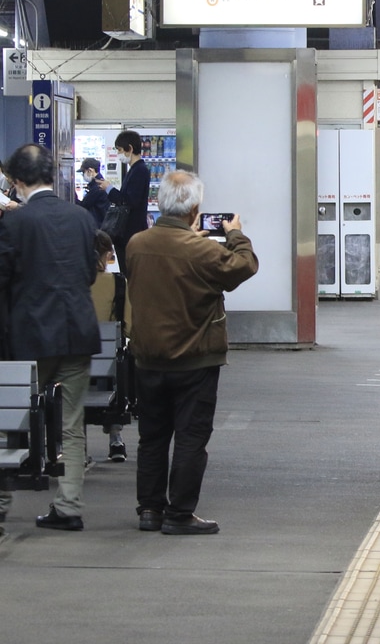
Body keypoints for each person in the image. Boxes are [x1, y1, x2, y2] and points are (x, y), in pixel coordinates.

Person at [126, 170, 258, 535]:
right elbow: (243, 266)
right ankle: (180, 513)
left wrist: (191, 239)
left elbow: (169, 259)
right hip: (195, 358)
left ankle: (149, 510)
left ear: (158, 203)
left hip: (148, 357)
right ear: (195, 209)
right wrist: (235, 234)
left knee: (152, 437)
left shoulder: (137, 243)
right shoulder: (203, 250)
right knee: (190, 437)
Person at [0, 144, 101, 532]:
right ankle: (69, 505)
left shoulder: (14, 225)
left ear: (17, 181)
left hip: (30, 338)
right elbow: (90, 274)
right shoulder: (80, 218)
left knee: (10, 418)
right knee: (72, 425)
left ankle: (3, 499)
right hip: (78, 332)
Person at [90, 230, 130, 462]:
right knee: (117, 361)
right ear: (107, 255)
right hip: (107, 369)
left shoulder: (70, 283)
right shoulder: (117, 283)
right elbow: (129, 327)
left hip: (71, 363)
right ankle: (115, 436)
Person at [96, 129, 150, 273]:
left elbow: (130, 201)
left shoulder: (140, 170)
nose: (119, 154)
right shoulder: (134, 169)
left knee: (130, 272)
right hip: (127, 232)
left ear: (130, 148)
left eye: (120, 150)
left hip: (131, 231)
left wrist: (109, 189)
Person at [77, 157, 111, 227]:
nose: (83, 175)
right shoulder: (99, 183)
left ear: (90, 171)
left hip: (97, 225)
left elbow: (84, 205)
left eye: (83, 172)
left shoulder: (97, 187)